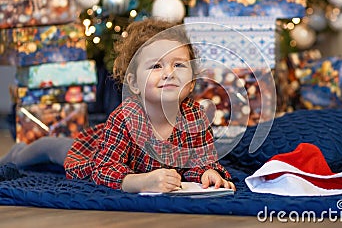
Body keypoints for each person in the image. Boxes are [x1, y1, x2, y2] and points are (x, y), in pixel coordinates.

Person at [0, 18, 235, 193]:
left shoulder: (195, 116)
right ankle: (18, 152)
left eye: (179, 66)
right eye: (156, 66)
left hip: (126, 156)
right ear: (133, 82)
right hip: (95, 151)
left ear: (192, 79)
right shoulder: (125, 117)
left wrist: (207, 173)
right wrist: (140, 182)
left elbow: (200, 160)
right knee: (49, 149)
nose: (169, 74)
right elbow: (103, 169)